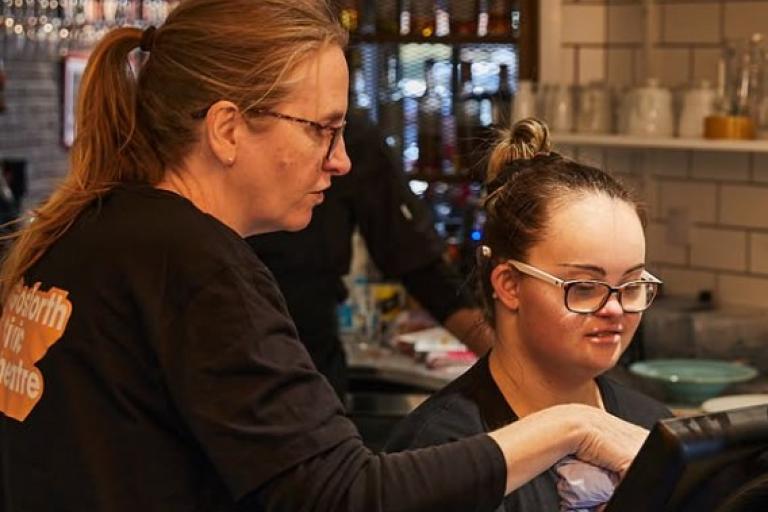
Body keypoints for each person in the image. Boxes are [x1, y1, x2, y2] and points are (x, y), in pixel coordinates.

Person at [0, 2, 649, 510]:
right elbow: (345, 495)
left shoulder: (84, 231)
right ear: (228, 129)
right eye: (323, 129)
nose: (340, 161)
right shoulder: (196, 267)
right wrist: (570, 428)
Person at [386, 118, 673, 511]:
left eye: (632, 285)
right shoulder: (440, 450)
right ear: (509, 284)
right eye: (584, 287)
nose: (615, 309)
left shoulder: (655, 431)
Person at [247, 111, 492, 399]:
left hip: (311, 374)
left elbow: (422, 267)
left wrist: (509, 364)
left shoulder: (356, 139)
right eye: (325, 131)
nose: (340, 161)